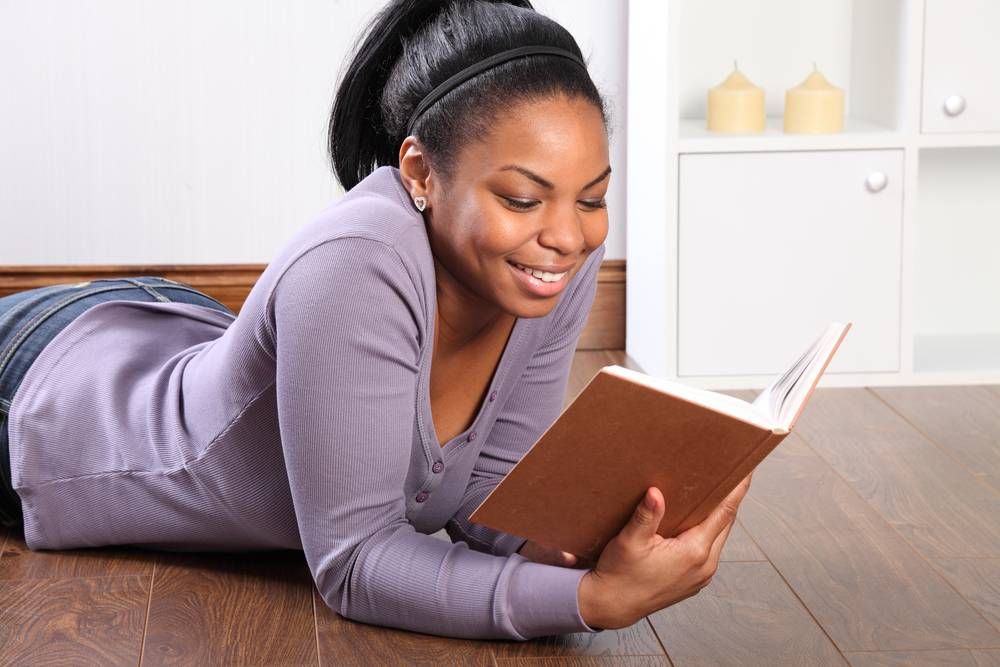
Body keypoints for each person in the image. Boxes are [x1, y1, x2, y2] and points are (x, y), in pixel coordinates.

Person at [0, 0, 752, 641]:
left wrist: (587, 539)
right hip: (47, 398)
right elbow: (354, 562)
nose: (568, 234)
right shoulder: (355, 264)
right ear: (421, 173)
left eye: (591, 198)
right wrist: (588, 602)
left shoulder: (553, 259)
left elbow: (490, 492)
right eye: (523, 198)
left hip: (167, 323)